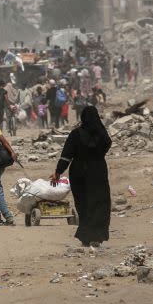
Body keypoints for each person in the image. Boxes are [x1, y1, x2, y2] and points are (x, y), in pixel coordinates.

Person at [50, 105, 112, 247]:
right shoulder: (102, 134)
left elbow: (66, 156)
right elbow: (107, 145)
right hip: (98, 170)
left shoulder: (76, 134)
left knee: (83, 203)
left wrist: (58, 172)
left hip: (79, 172)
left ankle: (85, 235)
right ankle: (97, 235)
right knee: (100, 202)